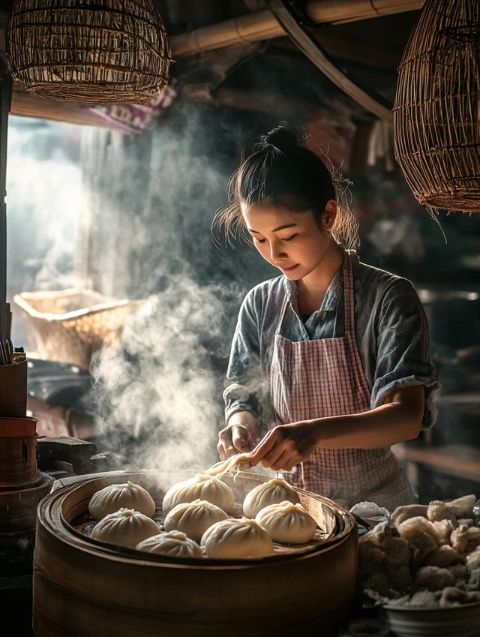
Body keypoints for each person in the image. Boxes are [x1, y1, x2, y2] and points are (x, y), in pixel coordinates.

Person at [215, 124, 439, 509]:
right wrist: (240, 424)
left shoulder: (387, 298)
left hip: (372, 510)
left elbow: (404, 416)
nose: (274, 253)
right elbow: (243, 393)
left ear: (328, 215)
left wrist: (314, 433)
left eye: (288, 235)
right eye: (259, 237)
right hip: (287, 508)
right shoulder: (260, 304)